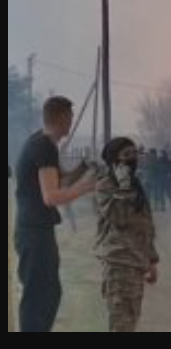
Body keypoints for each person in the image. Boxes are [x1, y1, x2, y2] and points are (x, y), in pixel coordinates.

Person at [14, 96, 96, 332]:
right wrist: (88, 187)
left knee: (48, 293)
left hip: (36, 232)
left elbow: (62, 180)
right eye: (70, 116)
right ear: (61, 118)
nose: (71, 121)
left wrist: (84, 168)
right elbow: (51, 197)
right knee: (39, 297)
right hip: (34, 233)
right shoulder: (44, 146)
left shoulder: (40, 143)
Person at [95, 138, 159, 332]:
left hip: (137, 264)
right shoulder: (105, 186)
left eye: (134, 153)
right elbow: (120, 218)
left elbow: (145, 225)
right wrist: (123, 186)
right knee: (121, 326)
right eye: (126, 155)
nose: (132, 159)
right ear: (114, 160)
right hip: (119, 264)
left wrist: (152, 260)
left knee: (130, 323)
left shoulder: (135, 186)